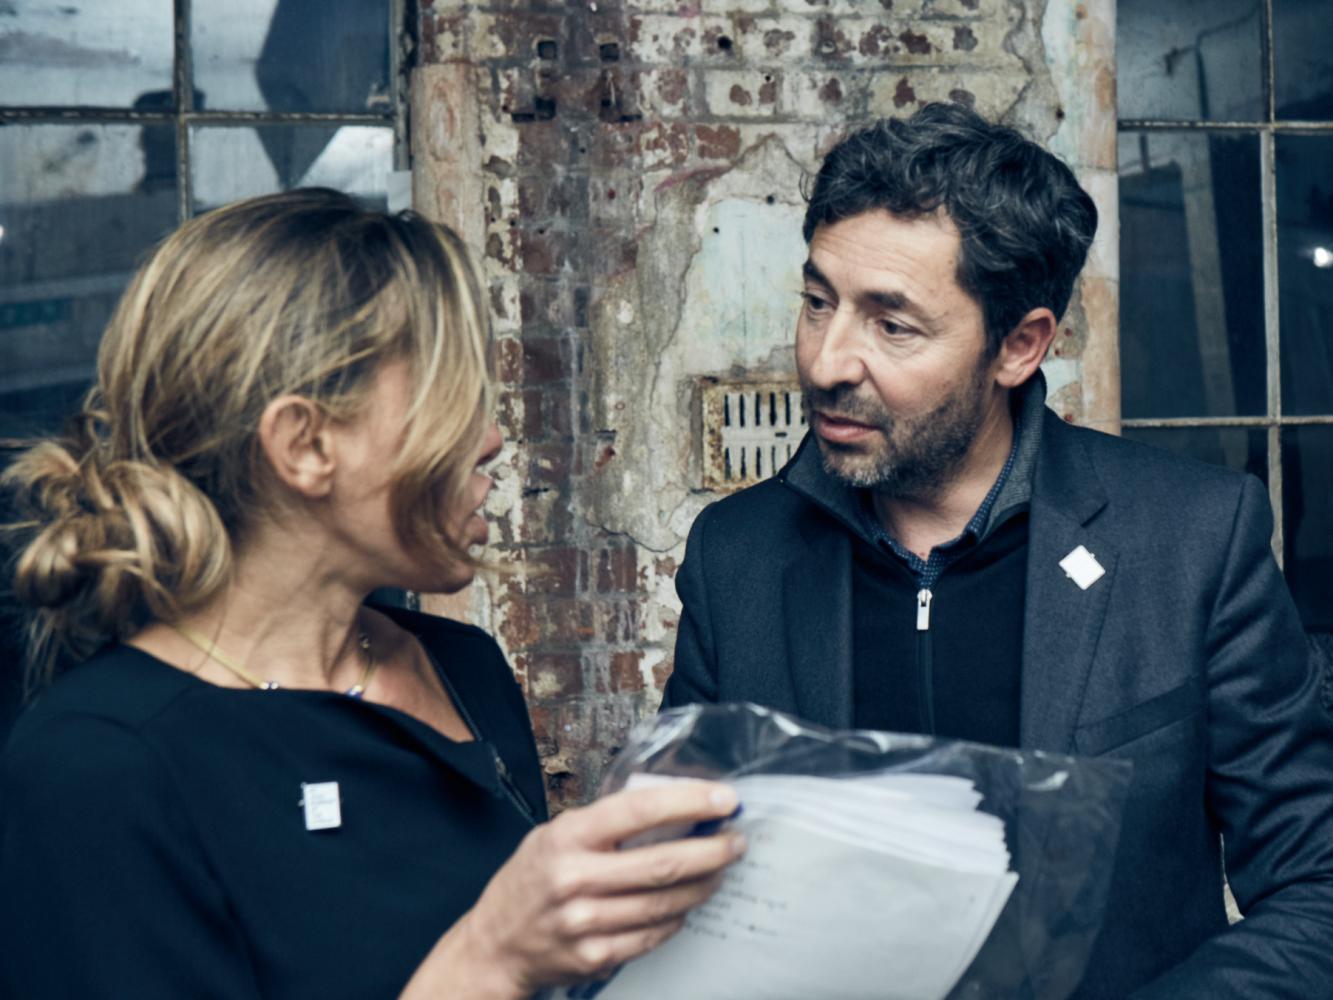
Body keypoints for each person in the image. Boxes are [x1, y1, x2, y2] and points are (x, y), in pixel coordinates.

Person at [0, 189, 745, 999]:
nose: (490, 437)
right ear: (305, 445)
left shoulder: (462, 668)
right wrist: (490, 959)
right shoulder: (96, 765)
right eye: (446, 397)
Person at [662, 102, 1333, 996]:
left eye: (892, 325)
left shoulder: (1192, 540)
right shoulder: (734, 556)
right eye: (818, 302)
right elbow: (676, 881)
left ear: (1018, 346)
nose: (826, 361)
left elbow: (1316, 887)